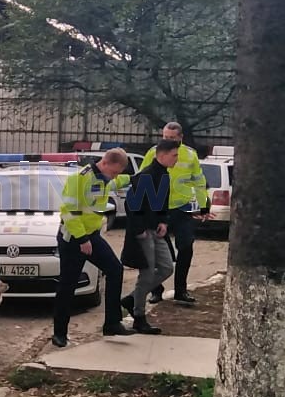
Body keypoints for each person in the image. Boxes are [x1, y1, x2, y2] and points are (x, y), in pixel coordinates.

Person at [52, 148, 133, 347]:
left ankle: (112, 323)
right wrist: (82, 239)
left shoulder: (105, 179)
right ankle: (59, 334)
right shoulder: (80, 179)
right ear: (105, 163)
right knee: (68, 285)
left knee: (115, 269)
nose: (114, 177)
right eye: (114, 172)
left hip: (92, 236)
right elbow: (68, 212)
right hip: (73, 239)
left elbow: (118, 182)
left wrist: (135, 178)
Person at [143, 122, 210, 304]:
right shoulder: (153, 152)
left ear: (181, 137)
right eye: (165, 137)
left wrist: (204, 205)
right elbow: (142, 178)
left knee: (186, 247)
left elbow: (199, 181)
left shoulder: (190, 155)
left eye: (172, 138)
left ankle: (181, 290)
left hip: (182, 208)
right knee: (157, 251)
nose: (168, 140)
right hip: (159, 208)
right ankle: (156, 290)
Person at [119, 139, 180, 334]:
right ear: (162, 155)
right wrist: (139, 230)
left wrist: (163, 221)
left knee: (166, 267)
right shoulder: (145, 176)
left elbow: (162, 203)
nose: (176, 159)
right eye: (174, 155)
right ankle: (139, 317)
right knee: (146, 272)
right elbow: (131, 204)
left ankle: (132, 298)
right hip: (144, 232)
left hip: (156, 229)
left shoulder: (164, 175)